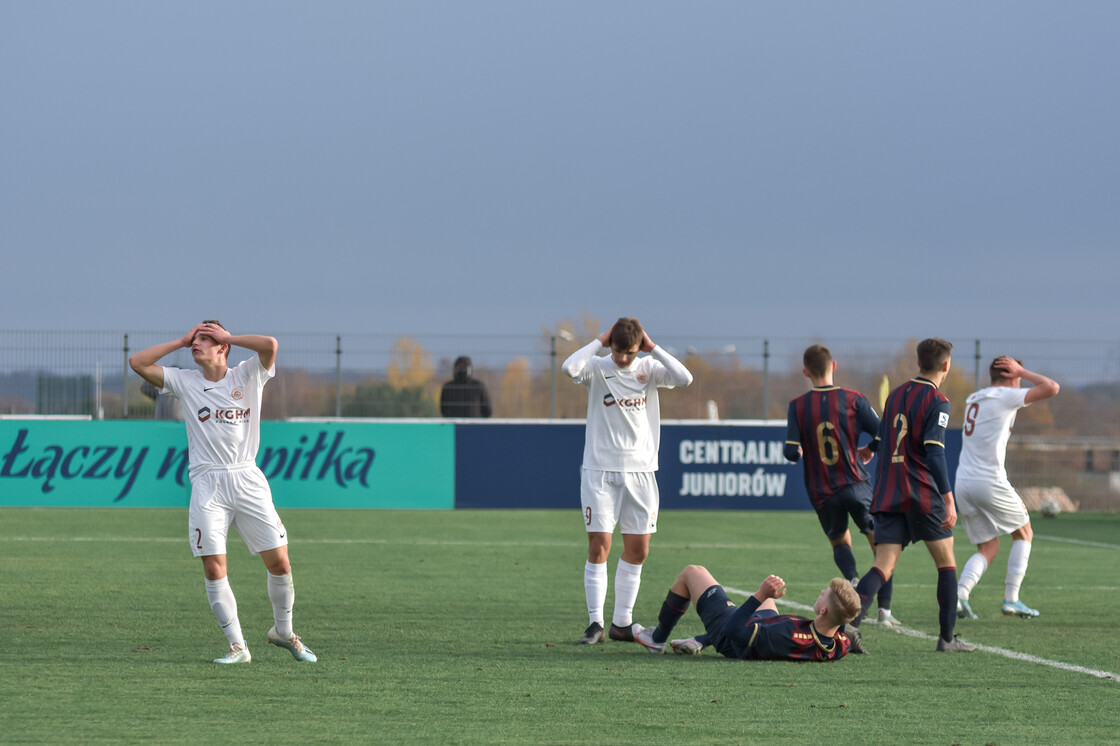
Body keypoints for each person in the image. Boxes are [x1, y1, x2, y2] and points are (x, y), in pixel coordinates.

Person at [129, 321, 316, 664]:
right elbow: (138, 363)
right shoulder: (185, 381)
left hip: (247, 478)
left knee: (280, 563)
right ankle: (238, 646)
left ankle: (284, 632)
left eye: (205, 339)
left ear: (223, 347)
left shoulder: (247, 375)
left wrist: (227, 336)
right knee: (214, 569)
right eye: (195, 339)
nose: (196, 345)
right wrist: (181, 340)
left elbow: (270, 344)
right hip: (208, 483)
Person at [562, 317, 693, 645]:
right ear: (611, 345)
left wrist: (654, 349)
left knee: (638, 550)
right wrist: (598, 341)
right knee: (599, 546)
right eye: (619, 351)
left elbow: (685, 378)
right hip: (600, 472)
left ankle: (622, 622)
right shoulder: (596, 367)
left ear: (640, 347)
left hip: (642, 473)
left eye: (630, 352)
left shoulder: (649, 367)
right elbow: (568, 368)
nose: (623, 358)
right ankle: (595, 623)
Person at [848, 338, 976, 653]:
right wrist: (947, 497)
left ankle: (850, 627)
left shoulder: (894, 395)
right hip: (921, 493)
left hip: (889, 492)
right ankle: (947, 639)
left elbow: (884, 432)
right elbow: (934, 453)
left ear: (918, 363)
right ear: (946, 365)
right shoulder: (938, 401)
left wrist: (870, 448)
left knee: (882, 565)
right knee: (946, 563)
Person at [784, 344, 899, 626]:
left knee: (839, 541)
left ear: (805, 372)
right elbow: (885, 431)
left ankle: (853, 578)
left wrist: (798, 452)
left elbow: (789, 452)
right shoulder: (854, 399)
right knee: (882, 549)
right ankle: (884, 610)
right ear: (833, 366)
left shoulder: (797, 406)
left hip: (822, 490)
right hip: (856, 483)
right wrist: (871, 447)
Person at [955, 356, 1060, 620]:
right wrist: (1023, 369)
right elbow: (1052, 387)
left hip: (963, 482)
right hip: (988, 481)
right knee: (1024, 533)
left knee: (988, 548)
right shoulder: (1004, 395)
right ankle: (1011, 599)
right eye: (1018, 376)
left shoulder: (976, 396)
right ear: (1012, 375)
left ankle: (960, 595)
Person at [632, 565, 861, 661]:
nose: (822, 591)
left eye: (826, 593)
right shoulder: (838, 644)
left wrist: (761, 594)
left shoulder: (784, 633)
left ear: (823, 611)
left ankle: (656, 639)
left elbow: (733, 630)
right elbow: (842, 627)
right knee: (769, 607)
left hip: (730, 636)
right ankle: (699, 640)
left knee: (693, 572)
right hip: (765, 626)